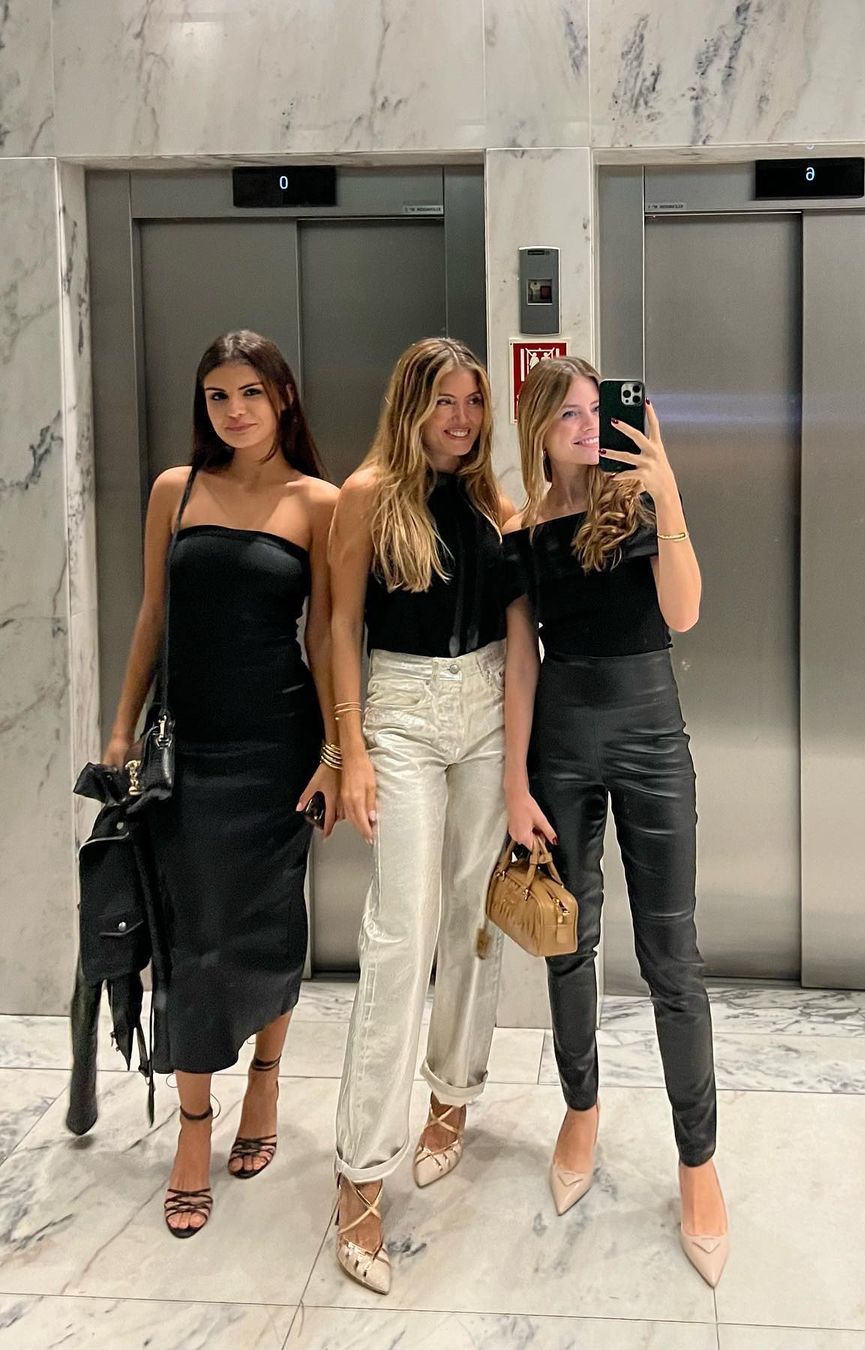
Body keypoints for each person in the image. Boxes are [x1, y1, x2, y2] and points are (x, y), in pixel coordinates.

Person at [102, 330, 340, 1237]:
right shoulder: (177, 489)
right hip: (189, 750)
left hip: (279, 745)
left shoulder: (317, 501)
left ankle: (266, 1084)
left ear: (282, 398)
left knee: (270, 923)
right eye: (217, 396)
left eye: (250, 393)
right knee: (193, 935)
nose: (235, 411)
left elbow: (327, 635)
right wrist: (121, 726)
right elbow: (152, 614)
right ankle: (193, 1127)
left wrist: (335, 752)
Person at [501, 356, 730, 1286]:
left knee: (673, 954)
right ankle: (581, 1109)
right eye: (569, 415)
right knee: (569, 941)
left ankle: (697, 1160)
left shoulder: (636, 504)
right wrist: (513, 783)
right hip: (560, 743)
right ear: (538, 429)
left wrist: (666, 489)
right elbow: (522, 661)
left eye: (598, 410)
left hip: (650, 736)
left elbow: (685, 611)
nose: (589, 426)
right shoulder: (521, 532)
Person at [329, 337, 514, 1294]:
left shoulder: (487, 496)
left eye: (474, 401)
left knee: (474, 914)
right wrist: (348, 749)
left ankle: (453, 1094)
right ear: (411, 406)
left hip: (486, 705)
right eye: (445, 401)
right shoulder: (367, 494)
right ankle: (360, 1169)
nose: (462, 419)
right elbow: (337, 626)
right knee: (400, 932)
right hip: (399, 709)